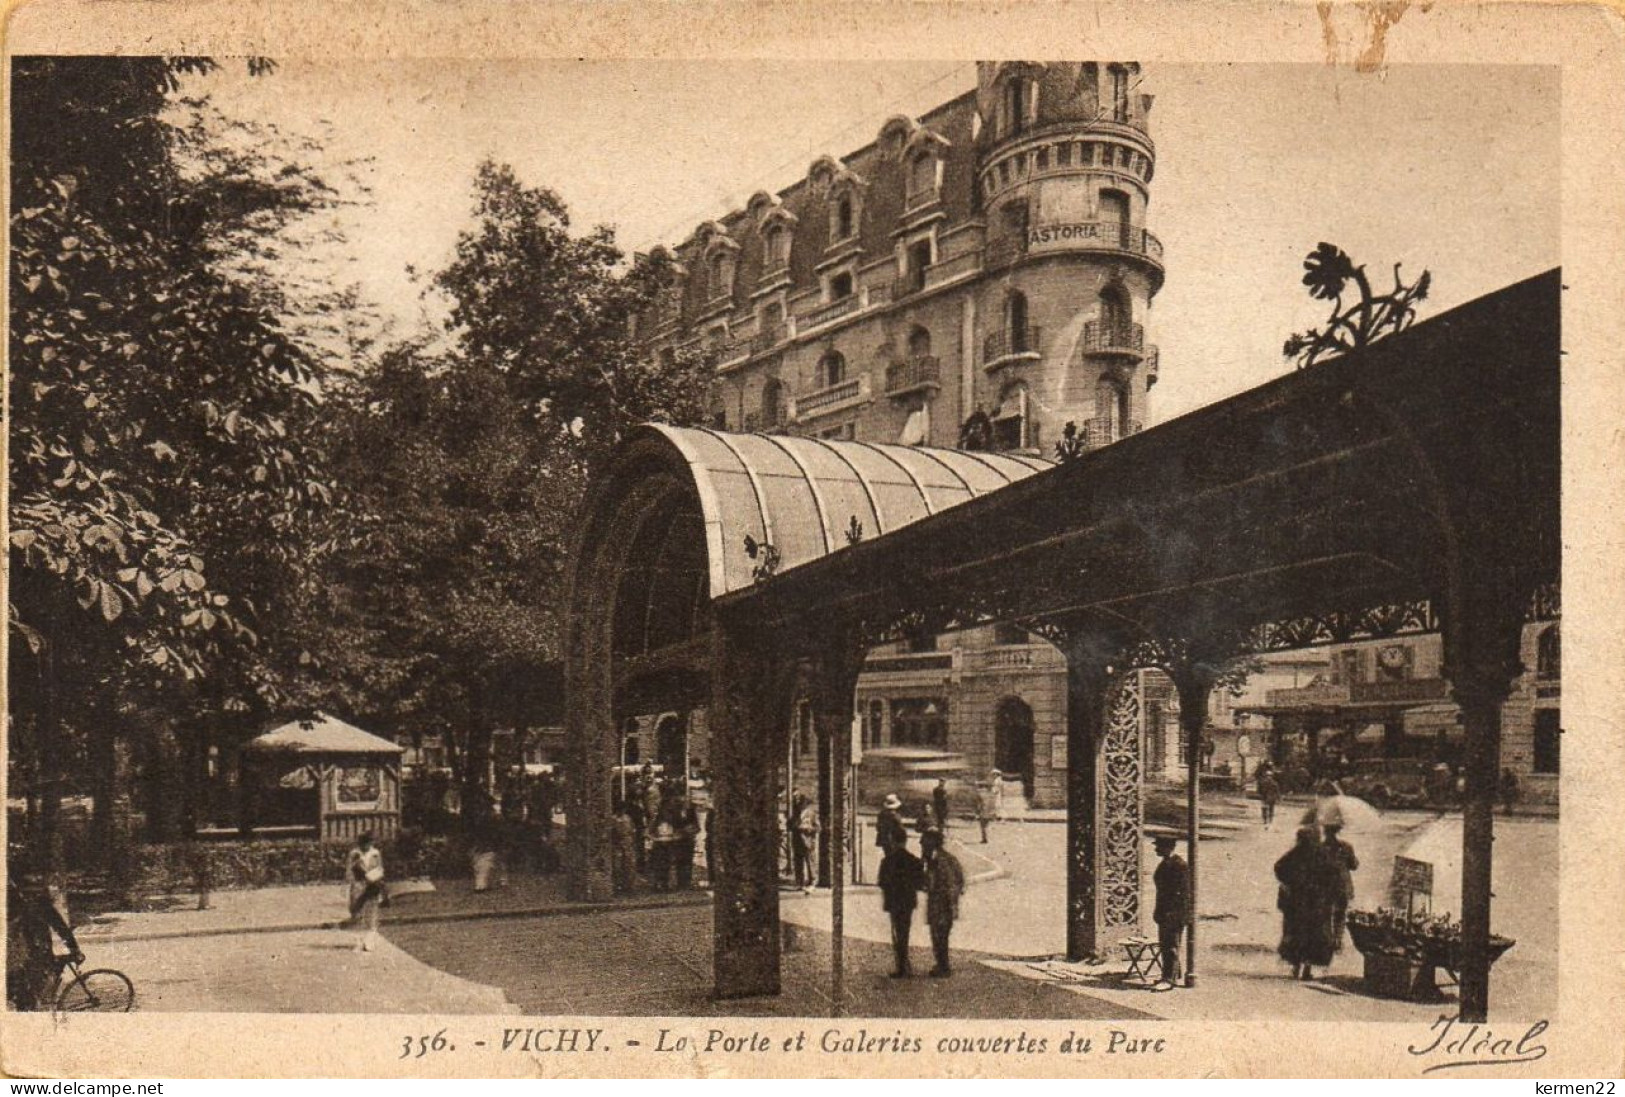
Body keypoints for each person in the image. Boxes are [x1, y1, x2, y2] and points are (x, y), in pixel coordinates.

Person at [6, 866, 82, 1011]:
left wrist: (73, 948)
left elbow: (60, 927)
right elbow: (60, 927)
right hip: (29, 958)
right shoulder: (36, 904)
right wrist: (74, 949)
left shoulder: (20, 903)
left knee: (27, 996)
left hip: (28, 958)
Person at [1274, 825, 1337, 980]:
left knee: (1296, 932)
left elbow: (1279, 867)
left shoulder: (1295, 853)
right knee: (1314, 934)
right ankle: (1307, 968)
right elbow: (1333, 875)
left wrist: (1289, 882)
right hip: (1317, 902)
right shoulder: (1323, 854)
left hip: (1298, 901)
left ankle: (1295, 966)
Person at [919, 828, 965, 977]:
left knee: (938, 936)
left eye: (924, 842)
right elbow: (960, 880)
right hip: (949, 905)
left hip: (941, 905)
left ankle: (943, 967)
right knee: (942, 936)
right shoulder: (950, 858)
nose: (921, 844)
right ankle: (943, 965)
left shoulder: (935, 861)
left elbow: (930, 884)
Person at [877, 836, 925, 978]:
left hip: (893, 902)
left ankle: (901, 966)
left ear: (893, 841)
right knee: (905, 931)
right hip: (908, 902)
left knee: (897, 932)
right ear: (905, 842)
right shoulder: (914, 860)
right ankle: (904, 964)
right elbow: (920, 883)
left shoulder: (887, 861)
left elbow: (881, 882)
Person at [1150, 835, 1189, 991]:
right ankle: (1173, 974)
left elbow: (1183, 893)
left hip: (1174, 913)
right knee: (1166, 945)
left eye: (1159, 847)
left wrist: (1174, 914)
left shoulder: (1179, 865)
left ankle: (1169, 979)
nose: (1156, 849)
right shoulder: (1165, 864)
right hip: (1165, 912)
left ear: (1169, 847)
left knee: (1171, 946)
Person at [1322, 822, 1359, 951]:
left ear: (1325, 831)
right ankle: (1338, 939)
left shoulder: (1320, 848)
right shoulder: (1346, 847)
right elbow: (1354, 865)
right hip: (1342, 884)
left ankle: (1329, 939)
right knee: (1340, 913)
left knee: (1326, 912)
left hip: (1326, 885)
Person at [347, 832, 386, 952]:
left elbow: (380, 868)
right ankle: (358, 942)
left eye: (369, 843)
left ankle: (369, 942)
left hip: (372, 886)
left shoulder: (375, 853)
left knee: (372, 914)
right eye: (365, 843)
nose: (367, 846)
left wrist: (376, 877)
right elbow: (348, 871)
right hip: (359, 886)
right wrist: (354, 881)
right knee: (357, 914)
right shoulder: (354, 854)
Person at [667, 793, 701, 890]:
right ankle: (680, 882)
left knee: (688, 861)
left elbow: (696, 826)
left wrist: (691, 830)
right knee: (679, 861)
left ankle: (687, 882)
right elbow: (672, 825)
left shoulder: (691, 811)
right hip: (678, 839)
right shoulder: (673, 812)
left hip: (688, 839)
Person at [790, 792, 817, 889]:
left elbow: (818, 827)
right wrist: (793, 826)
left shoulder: (811, 814)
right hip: (797, 840)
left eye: (800, 802)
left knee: (810, 862)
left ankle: (812, 882)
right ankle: (799, 882)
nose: (799, 804)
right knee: (798, 862)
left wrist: (808, 829)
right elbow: (789, 825)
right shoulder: (795, 813)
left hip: (808, 841)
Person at [609, 800, 636, 894]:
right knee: (617, 866)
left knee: (629, 865)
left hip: (627, 843)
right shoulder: (613, 819)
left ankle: (628, 886)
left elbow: (632, 830)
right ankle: (618, 885)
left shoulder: (627, 818)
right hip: (617, 844)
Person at [1257, 764, 1280, 829]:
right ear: (1266, 776)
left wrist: (1278, 797)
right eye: (1267, 776)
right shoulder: (1264, 782)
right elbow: (1259, 790)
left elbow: (1277, 791)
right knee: (1265, 809)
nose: (1268, 777)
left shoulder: (1274, 783)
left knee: (1270, 809)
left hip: (1270, 798)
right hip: (1265, 797)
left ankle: (1269, 819)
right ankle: (1265, 819)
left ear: (1271, 776)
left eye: (1270, 776)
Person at [974, 780, 995, 844]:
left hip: (982, 811)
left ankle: (984, 839)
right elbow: (993, 803)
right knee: (986, 825)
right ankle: (986, 838)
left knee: (983, 826)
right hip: (989, 811)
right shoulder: (990, 794)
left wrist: (977, 812)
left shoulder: (979, 794)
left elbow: (978, 804)